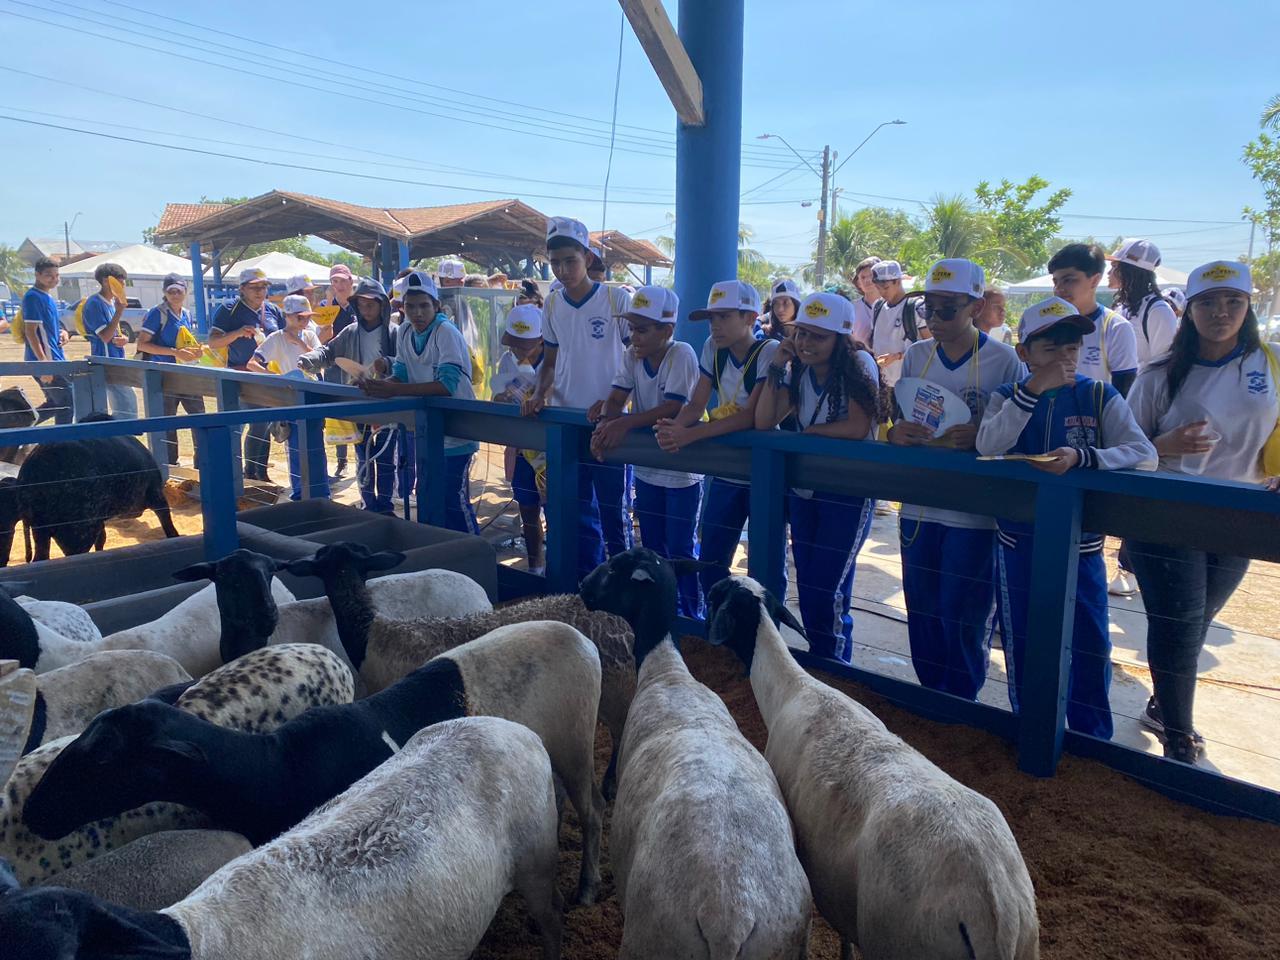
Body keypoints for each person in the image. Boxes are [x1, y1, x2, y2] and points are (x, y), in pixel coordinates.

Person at [977, 296, 1157, 740]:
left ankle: (1093, 740)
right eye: (1050, 348)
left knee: (1092, 643)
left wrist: (1085, 456)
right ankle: (1032, 728)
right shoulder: (1007, 396)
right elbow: (987, 445)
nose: (1064, 358)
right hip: (1019, 541)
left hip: (1085, 547)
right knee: (1022, 638)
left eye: (1072, 347)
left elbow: (1144, 454)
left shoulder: (1099, 394)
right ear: (1024, 353)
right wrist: (1032, 391)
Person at [1126, 260, 1279, 765]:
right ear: (1188, 312)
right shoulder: (1159, 376)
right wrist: (1162, 443)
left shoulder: (1272, 366)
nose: (1221, 312)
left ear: (1248, 307)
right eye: (1208, 303)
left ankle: (1162, 703)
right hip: (1169, 512)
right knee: (1180, 623)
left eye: (1233, 301)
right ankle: (1179, 735)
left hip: (1240, 514)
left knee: (1197, 622)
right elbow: (1121, 451)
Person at [889, 260, 1023, 698]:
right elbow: (898, 418)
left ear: (976, 306)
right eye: (929, 308)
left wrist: (983, 436)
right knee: (922, 609)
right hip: (919, 506)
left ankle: (961, 707)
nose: (935, 319)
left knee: (963, 613)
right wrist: (896, 432)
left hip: (973, 513)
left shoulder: (1004, 361)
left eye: (948, 309)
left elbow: (1022, 436)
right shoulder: (915, 356)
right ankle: (931, 702)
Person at [754, 292, 882, 663]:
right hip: (806, 490)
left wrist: (807, 436)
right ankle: (821, 663)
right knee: (809, 586)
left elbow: (858, 426)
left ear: (839, 338)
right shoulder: (799, 369)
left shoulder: (858, 362)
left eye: (818, 336)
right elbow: (764, 421)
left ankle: (835, 669)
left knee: (828, 590)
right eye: (802, 334)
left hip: (847, 491)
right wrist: (778, 361)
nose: (807, 343)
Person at [654, 279, 784, 603]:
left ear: (751, 318)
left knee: (765, 567)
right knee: (711, 562)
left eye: (724, 317)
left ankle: (765, 637)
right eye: (712, 318)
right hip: (727, 470)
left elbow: (750, 418)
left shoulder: (768, 351)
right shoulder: (712, 348)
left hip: (763, 471)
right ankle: (716, 628)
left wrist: (688, 434)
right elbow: (697, 403)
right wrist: (672, 430)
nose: (715, 325)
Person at [523, 216, 633, 580]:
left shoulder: (617, 299)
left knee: (615, 515)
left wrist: (616, 405)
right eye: (554, 262)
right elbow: (550, 363)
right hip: (566, 425)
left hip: (610, 425)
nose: (562, 269)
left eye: (570, 260)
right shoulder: (552, 304)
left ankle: (624, 593)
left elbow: (638, 358)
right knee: (575, 511)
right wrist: (538, 394)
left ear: (587, 257)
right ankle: (587, 589)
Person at [590, 286, 703, 617]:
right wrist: (605, 420)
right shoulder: (631, 356)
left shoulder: (681, 353)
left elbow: (671, 406)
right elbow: (617, 396)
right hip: (647, 467)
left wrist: (621, 423)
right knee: (653, 546)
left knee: (681, 547)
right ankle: (661, 610)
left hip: (681, 470)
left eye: (642, 329)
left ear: (667, 330)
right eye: (632, 328)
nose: (634, 336)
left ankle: (691, 614)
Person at [359, 271, 479, 534]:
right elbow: (400, 372)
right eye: (410, 306)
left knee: (454, 501)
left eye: (424, 305)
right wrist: (380, 385)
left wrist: (391, 389)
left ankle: (473, 553)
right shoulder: (404, 331)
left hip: (457, 432)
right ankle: (443, 553)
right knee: (429, 496)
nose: (417, 313)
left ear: (436, 306)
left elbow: (446, 385)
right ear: (402, 308)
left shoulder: (445, 332)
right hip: (427, 430)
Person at [298, 278, 397, 513]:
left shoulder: (395, 332)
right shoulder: (350, 331)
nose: (366, 308)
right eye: (361, 304)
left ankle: (385, 504)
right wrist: (310, 359)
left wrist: (388, 364)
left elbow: (405, 363)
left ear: (382, 305)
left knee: (385, 458)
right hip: (358, 402)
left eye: (371, 303)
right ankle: (368, 503)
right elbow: (329, 351)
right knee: (362, 456)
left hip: (389, 403)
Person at [251, 294, 330, 502]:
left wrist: (298, 341)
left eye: (306, 317)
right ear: (288, 316)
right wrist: (277, 379)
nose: (304, 322)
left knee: (316, 447)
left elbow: (320, 360)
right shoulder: (276, 338)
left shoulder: (310, 335)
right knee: (295, 448)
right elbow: (253, 363)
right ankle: (300, 494)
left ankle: (321, 494)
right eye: (300, 317)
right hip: (290, 397)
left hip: (313, 395)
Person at [208, 268, 281, 481]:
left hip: (267, 375)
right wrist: (238, 333)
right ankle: (246, 473)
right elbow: (213, 342)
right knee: (250, 424)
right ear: (242, 289)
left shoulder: (273, 310)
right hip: (239, 375)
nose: (260, 291)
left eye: (264, 286)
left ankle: (260, 472)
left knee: (265, 424)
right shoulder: (228, 309)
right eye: (254, 287)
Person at [493, 303, 548, 574]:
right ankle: (535, 564)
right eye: (514, 344)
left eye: (525, 345)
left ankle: (559, 567)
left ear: (541, 339)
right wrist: (500, 399)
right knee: (527, 509)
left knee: (555, 510)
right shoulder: (506, 360)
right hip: (522, 449)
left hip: (550, 450)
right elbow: (496, 394)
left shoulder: (556, 362)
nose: (519, 351)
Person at [1048, 242, 1139, 396]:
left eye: (1069, 280)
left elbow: (1124, 393)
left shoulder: (1115, 327)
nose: (1059, 289)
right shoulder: (1044, 323)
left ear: (1095, 280)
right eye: (1055, 281)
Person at [138, 274, 205, 465]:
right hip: (165, 376)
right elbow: (142, 345)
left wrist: (195, 352)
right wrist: (175, 353)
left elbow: (185, 341)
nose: (175, 295)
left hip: (187, 374)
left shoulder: (186, 313)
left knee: (199, 416)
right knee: (167, 422)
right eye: (171, 291)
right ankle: (168, 466)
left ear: (185, 292)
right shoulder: (157, 313)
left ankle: (202, 463)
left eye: (179, 291)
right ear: (164, 293)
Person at [1106, 239, 1177, 371]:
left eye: (1114, 266)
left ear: (1130, 271)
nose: (1108, 273)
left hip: (1141, 390)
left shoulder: (1158, 311)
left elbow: (1164, 367)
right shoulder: (1120, 306)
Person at [80, 262, 137, 418]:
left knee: (126, 405)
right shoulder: (94, 303)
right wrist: (119, 312)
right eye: (119, 282)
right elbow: (104, 336)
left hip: (116, 359)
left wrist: (123, 338)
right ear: (106, 281)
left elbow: (113, 333)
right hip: (106, 362)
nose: (122, 286)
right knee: (126, 406)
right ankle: (122, 438)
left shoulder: (111, 303)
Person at [319, 264, 358, 478]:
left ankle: (363, 459)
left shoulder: (360, 305)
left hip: (357, 366)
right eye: (335, 281)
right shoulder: (326, 310)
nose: (339, 285)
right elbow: (320, 341)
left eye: (343, 281)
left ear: (351, 282)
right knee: (337, 414)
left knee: (360, 412)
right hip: (334, 367)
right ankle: (342, 461)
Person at [22, 257, 72, 424]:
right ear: (37, 275)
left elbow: (48, 327)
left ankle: (21, 427)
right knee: (66, 404)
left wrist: (62, 332)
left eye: (57, 275)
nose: (54, 279)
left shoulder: (48, 297)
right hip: (45, 361)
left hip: (55, 357)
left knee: (55, 403)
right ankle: (60, 445)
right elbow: (31, 332)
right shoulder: (33, 297)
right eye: (49, 275)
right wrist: (44, 363)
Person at [868, 260, 924, 389]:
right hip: (881, 383)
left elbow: (930, 347)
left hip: (908, 383)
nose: (882, 292)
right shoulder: (877, 307)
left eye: (886, 287)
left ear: (898, 281)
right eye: (878, 288)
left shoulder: (915, 307)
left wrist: (897, 356)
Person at [851, 255, 882, 345]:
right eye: (863, 277)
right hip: (861, 357)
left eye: (871, 276)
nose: (868, 280)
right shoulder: (851, 308)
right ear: (858, 283)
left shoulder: (891, 305)